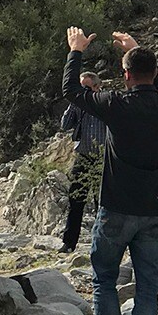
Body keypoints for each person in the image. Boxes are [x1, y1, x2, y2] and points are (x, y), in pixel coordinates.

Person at [62, 27, 158, 315]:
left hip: (115, 208)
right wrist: (139, 49)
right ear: (153, 71)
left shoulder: (116, 104)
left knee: (104, 281)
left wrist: (75, 51)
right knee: (148, 287)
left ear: (126, 75)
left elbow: (72, 92)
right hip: (155, 210)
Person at [59, 72, 107, 253]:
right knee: (76, 199)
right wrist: (74, 102)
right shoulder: (79, 106)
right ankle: (69, 242)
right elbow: (65, 125)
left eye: (87, 88)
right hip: (83, 157)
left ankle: (102, 244)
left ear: (96, 87)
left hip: (102, 158)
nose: (83, 92)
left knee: (102, 202)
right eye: (81, 88)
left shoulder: (105, 104)